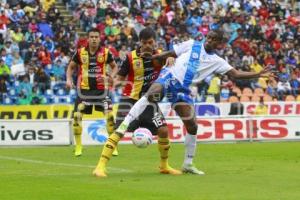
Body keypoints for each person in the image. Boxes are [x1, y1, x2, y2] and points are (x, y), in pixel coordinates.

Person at [95, 29, 273, 177]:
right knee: (152, 94)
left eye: (213, 39)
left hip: (182, 90)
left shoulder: (218, 61)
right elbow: (171, 53)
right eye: (208, 36)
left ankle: (188, 163)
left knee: (192, 125)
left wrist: (258, 74)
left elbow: (235, 74)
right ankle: (126, 122)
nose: (209, 40)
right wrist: (158, 59)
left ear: (220, 44)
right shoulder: (191, 44)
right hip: (169, 77)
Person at [93, 27, 181, 177]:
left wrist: (172, 59)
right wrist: (112, 81)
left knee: (163, 130)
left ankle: (164, 165)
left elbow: (173, 62)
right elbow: (120, 78)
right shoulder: (129, 58)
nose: (148, 45)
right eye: (145, 42)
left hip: (149, 103)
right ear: (140, 42)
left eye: (150, 42)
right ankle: (100, 167)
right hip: (130, 101)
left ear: (155, 42)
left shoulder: (160, 57)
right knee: (119, 131)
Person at [66, 28, 118, 156]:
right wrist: (68, 79)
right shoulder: (80, 53)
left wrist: (110, 77)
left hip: (102, 91)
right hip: (84, 91)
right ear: (88, 39)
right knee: (77, 117)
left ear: (99, 38)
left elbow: (115, 67)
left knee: (110, 117)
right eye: (92, 37)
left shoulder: (106, 53)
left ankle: (112, 146)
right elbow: (71, 67)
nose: (94, 39)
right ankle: (78, 146)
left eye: (96, 36)